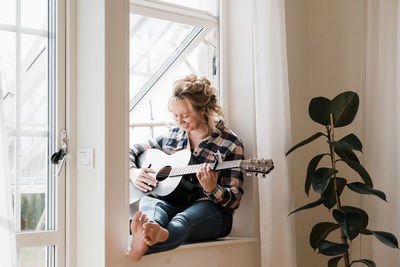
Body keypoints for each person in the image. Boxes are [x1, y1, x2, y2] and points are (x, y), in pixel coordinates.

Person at [128, 74, 244, 261]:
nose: (179, 121)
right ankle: (149, 229)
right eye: (175, 116)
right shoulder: (172, 135)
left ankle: (155, 238)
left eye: (185, 115)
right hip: (171, 204)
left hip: (210, 211)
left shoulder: (230, 143)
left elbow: (234, 199)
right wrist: (133, 172)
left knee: (183, 221)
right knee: (151, 204)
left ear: (203, 110)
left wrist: (213, 189)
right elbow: (131, 151)